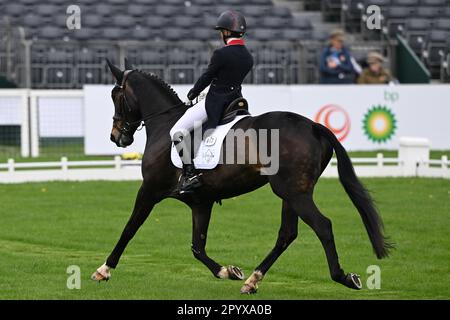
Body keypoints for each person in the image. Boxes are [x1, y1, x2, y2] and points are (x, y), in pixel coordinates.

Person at [170, 10, 254, 195]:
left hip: (216, 101)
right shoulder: (248, 57)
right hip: (236, 101)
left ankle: (190, 174)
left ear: (225, 32)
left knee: (176, 132)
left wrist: (193, 93)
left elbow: (208, 76)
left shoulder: (221, 54)